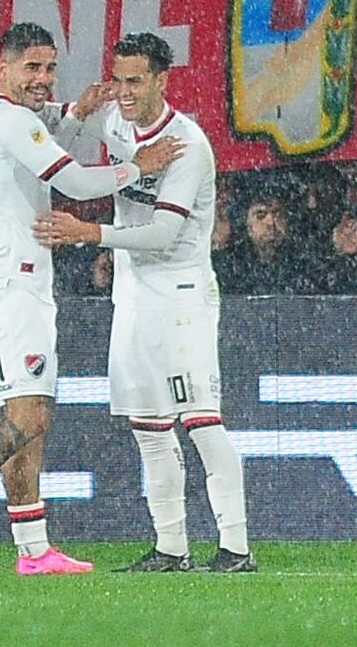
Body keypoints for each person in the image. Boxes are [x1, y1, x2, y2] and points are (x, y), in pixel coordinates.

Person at [0, 23, 180, 575]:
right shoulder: (8, 121)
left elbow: (47, 129)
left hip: (22, 283)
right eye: (31, 68)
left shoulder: (13, 119)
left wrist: (76, 114)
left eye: (50, 68)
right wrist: (138, 168)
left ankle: (33, 549)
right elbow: (76, 182)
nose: (43, 79)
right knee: (27, 415)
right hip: (8, 286)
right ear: (2, 70)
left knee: (30, 417)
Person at [34, 32, 255, 574]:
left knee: (201, 421)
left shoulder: (187, 146)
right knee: (147, 425)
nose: (126, 93)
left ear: (162, 80)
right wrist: (79, 113)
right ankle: (171, 547)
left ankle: (236, 548)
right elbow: (65, 151)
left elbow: (161, 234)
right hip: (131, 297)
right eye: (120, 81)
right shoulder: (113, 122)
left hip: (181, 294)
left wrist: (92, 234)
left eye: (136, 82)